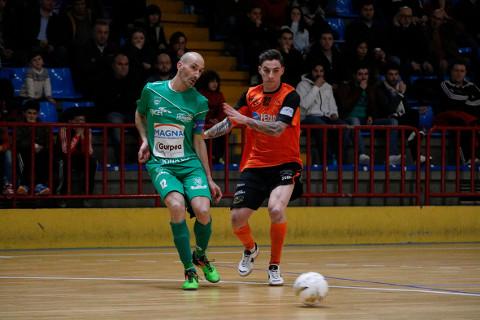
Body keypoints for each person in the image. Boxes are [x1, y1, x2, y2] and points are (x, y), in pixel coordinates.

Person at [204, 49, 303, 286]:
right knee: (237, 218)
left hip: (285, 163)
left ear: (282, 71)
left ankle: (274, 266)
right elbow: (230, 122)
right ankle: (251, 248)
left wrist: (245, 120)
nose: (270, 75)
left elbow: (278, 128)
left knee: (276, 210)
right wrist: (205, 134)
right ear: (259, 70)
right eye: (266, 70)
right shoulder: (250, 94)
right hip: (255, 164)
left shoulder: (291, 95)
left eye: (275, 71)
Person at [135, 51, 222, 290]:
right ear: (179, 65)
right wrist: (144, 140)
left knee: (203, 210)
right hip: (161, 164)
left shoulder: (200, 102)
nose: (197, 74)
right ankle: (189, 270)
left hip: (189, 163)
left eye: (201, 70)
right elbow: (139, 114)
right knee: (176, 207)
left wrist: (209, 178)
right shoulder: (152, 90)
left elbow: (199, 140)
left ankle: (200, 255)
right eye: (194, 68)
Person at [336, 66, 401, 165]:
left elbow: (375, 106)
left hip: (366, 120)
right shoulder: (346, 86)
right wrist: (359, 90)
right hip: (350, 118)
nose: (363, 77)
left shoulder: (371, 88)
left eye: (366, 74)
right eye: (360, 74)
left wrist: (371, 115)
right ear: (354, 76)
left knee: (393, 121)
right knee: (355, 121)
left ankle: (392, 156)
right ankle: (361, 155)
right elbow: (345, 106)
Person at [296, 62, 345, 163]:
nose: (319, 74)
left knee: (342, 126)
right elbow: (303, 106)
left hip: (326, 118)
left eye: (321, 71)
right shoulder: (302, 85)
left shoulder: (327, 86)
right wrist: (316, 87)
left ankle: (340, 160)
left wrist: (334, 114)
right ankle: (327, 160)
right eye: (316, 71)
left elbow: (332, 106)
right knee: (321, 126)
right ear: (311, 72)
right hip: (307, 118)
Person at [435, 61, 480, 164]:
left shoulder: (471, 86)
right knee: (461, 125)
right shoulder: (445, 84)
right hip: (446, 118)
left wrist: (463, 102)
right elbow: (452, 97)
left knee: (471, 123)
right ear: (450, 72)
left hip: (466, 117)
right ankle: (465, 160)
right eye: (456, 70)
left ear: (465, 73)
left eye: (462, 71)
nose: (459, 73)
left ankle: (475, 157)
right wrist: (469, 99)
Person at [57, 107, 97, 207]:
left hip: (81, 157)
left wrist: (83, 137)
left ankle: (87, 195)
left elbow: (89, 151)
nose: (81, 123)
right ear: (71, 121)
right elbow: (66, 151)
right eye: (78, 121)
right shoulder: (64, 130)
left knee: (92, 162)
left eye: (83, 120)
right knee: (65, 163)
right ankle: (62, 197)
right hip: (66, 157)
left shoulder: (88, 130)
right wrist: (77, 136)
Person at [16, 99, 51, 195]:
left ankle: (40, 185)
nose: (32, 116)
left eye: (34, 113)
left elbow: (48, 142)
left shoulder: (43, 126)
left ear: (38, 114)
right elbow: (18, 142)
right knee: (24, 155)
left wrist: (41, 147)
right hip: (23, 152)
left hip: (38, 152)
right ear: (24, 113)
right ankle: (24, 185)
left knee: (44, 154)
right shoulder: (19, 125)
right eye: (29, 113)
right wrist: (31, 145)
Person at [196, 70, 227, 164]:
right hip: (201, 124)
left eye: (216, 81)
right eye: (212, 81)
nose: (215, 84)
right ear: (206, 82)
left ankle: (218, 157)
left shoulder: (219, 95)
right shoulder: (199, 94)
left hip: (214, 124)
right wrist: (208, 121)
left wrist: (218, 120)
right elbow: (198, 111)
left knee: (225, 130)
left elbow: (223, 110)